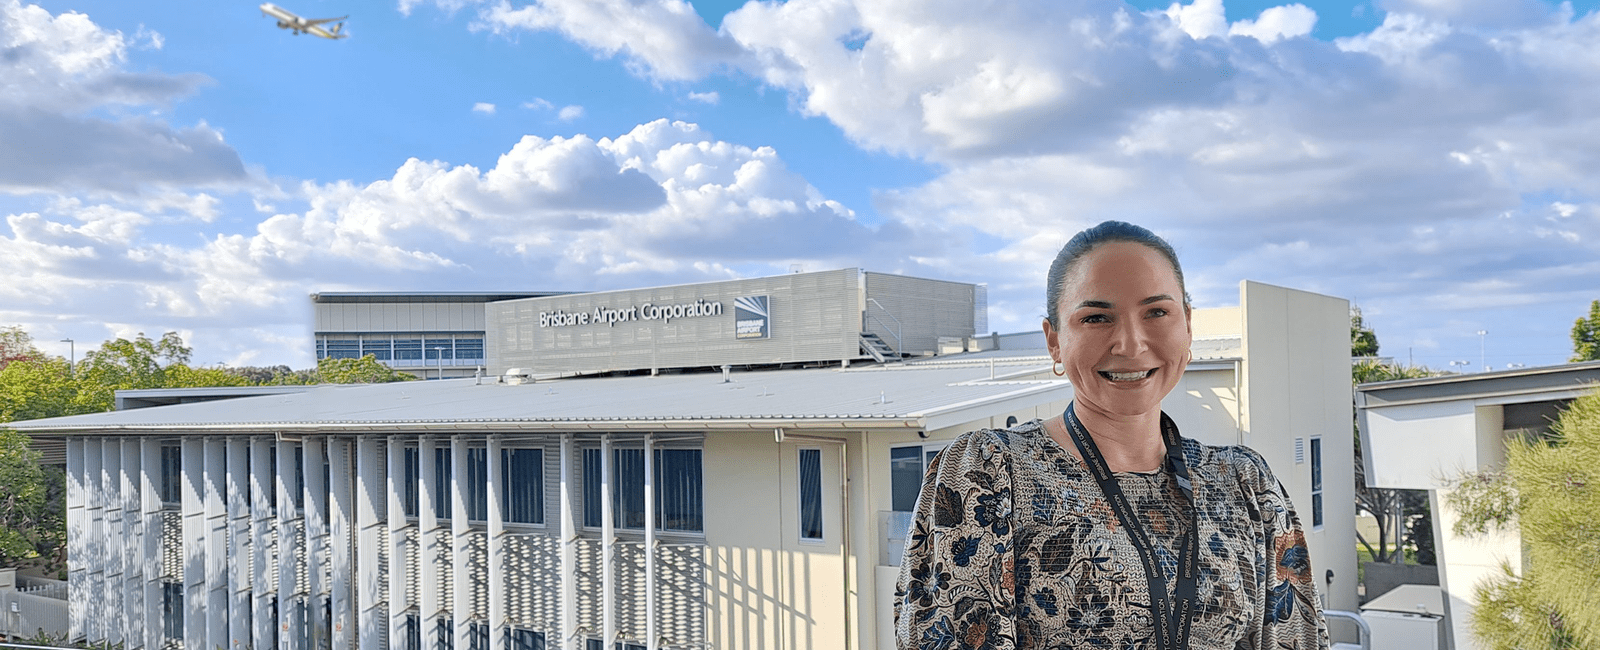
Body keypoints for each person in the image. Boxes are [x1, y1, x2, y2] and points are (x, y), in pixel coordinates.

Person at [894, 221, 1329, 650]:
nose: (1130, 344)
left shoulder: (1244, 482)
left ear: (1188, 325)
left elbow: (1295, 638)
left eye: (1156, 312)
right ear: (1054, 342)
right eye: (1097, 317)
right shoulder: (988, 472)